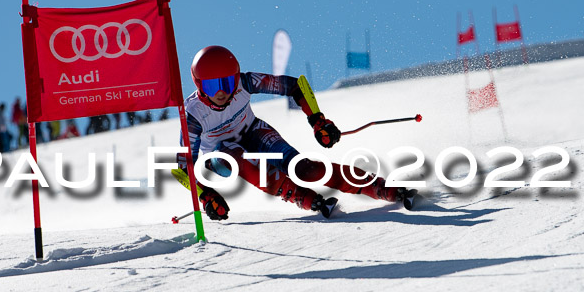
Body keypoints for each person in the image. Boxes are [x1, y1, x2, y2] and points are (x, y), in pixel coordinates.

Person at [177, 45, 416, 221]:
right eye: (211, 85)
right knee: (238, 157)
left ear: (236, 77)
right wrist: (206, 195)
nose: (222, 93)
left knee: (306, 169)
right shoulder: (194, 115)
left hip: (253, 132)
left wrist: (318, 121)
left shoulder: (246, 82)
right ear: (199, 86)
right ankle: (298, 195)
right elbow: (182, 167)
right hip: (220, 156)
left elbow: (296, 85)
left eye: (227, 82)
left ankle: (382, 187)